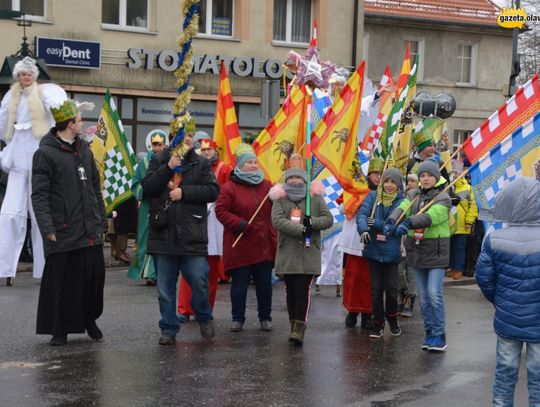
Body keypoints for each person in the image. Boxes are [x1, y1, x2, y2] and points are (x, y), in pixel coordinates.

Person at [32, 100, 106, 346]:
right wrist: (47, 228)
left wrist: (101, 218)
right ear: (69, 124)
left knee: (93, 281)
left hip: (89, 228)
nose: (82, 122)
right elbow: (39, 195)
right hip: (62, 230)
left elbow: (95, 186)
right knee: (62, 284)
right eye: (79, 119)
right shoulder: (45, 153)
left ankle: (89, 319)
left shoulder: (84, 149)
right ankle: (59, 329)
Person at [142, 129, 219, 345]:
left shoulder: (200, 163)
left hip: (191, 234)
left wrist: (184, 192)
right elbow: (147, 187)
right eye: (182, 136)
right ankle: (168, 327)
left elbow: (213, 191)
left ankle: (203, 315)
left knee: (199, 279)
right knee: (165, 289)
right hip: (163, 234)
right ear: (173, 138)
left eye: (190, 136)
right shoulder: (159, 159)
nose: (187, 139)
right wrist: (167, 169)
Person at [0, 57, 67, 285]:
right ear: (17, 76)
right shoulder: (11, 96)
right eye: (22, 74)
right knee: (10, 213)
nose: (25, 78)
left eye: (29, 74)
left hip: (38, 157)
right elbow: (3, 123)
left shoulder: (45, 93)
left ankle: (45, 267)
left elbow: (58, 111)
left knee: (41, 213)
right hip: (19, 157)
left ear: (34, 76)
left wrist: (71, 111)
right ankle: (5, 267)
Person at [476, 177, 540, 407]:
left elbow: (484, 278)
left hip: (506, 319)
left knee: (504, 375)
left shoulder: (494, 239)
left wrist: (500, 301)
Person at [386, 157, 451, 352]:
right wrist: (392, 220)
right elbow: (401, 208)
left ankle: (439, 335)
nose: (425, 178)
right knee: (423, 297)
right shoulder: (413, 193)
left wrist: (409, 223)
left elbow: (432, 216)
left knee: (434, 294)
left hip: (436, 251)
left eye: (429, 175)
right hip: (417, 249)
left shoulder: (443, 196)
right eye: (422, 175)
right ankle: (429, 333)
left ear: (436, 177)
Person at [215, 143, 277, 332]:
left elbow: (278, 209)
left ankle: (265, 317)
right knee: (240, 284)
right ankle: (237, 318)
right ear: (240, 165)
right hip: (240, 242)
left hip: (263, 242)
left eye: (254, 162)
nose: (253, 165)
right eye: (249, 162)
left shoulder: (267, 185)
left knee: (264, 284)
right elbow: (221, 210)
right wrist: (239, 224)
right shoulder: (229, 188)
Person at [270, 165, 333, 345]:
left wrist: (312, 222)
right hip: (288, 251)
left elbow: (328, 219)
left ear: (304, 181)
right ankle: (293, 323)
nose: (295, 181)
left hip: (308, 251)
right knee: (290, 290)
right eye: (291, 178)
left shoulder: (315, 197)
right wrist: (300, 228)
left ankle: (300, 327)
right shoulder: (280, 199)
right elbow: (277, 221)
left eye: (298, 178)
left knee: (302, 289)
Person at [177, 137, 231, 321]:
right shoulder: (191, 166)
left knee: (211, 269)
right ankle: (184, 309)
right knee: (189, 269)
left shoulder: (224, 169)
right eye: (204, 149)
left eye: (210, 150)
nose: (207, 152)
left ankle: (205, 310)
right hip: (193, 220)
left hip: (215, 223)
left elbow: (225, 193)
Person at [357, 168, 405, 338]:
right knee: (375, 290)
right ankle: (377, 323)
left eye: (393, 182)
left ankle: (392, 319)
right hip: (373, 250)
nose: (389, 185)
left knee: (391, 290)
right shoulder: (373, 196)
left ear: (399, 184)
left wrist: (376, 223)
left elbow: (396, 226)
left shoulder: (403, 201)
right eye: (386, 181)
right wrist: (363, 229)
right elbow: (362, 214)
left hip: (392, 252)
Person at [341, 157, 384, 330]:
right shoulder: (356, 189)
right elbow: (342, 208)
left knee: (369, 280)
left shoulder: (386, 193)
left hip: (373, 241)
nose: (378, 177)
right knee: (353, 278)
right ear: (369, 174)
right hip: (354, 240)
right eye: (375, 174)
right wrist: (355, 205)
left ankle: (367, 313)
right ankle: (352, 311)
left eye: (381, 174)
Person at [127, 129, 168, 284]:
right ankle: (149, 273)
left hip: (164, 206)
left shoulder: (170, 162)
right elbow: (135, 184)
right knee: (145, 238)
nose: (157, 148)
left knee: (162, 239)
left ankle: (160, 272)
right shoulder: (143, 163)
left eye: (160, 144)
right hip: (147, 207)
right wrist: (145, 189)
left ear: (165, 145)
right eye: (154, 145)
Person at [448, 159, 478, 280]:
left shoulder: (468, 188)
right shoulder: (449, 187)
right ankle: (453, 268)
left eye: (457, 172)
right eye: (453, 172)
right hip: (449, 224)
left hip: (462, 224)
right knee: (450, 248)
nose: (455, 175)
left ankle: (459, 269)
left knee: (459, 248)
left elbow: (474, 206)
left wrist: (469, 220)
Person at [398, 173, 419, 317]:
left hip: (414, 240)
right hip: (399, 242)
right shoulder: (400, 198)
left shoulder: (421, 199)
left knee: (412, 273)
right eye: (408, 181)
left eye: (413, 181)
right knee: (398, 272)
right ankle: (402, 293)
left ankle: (410, 300)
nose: (409, 183)